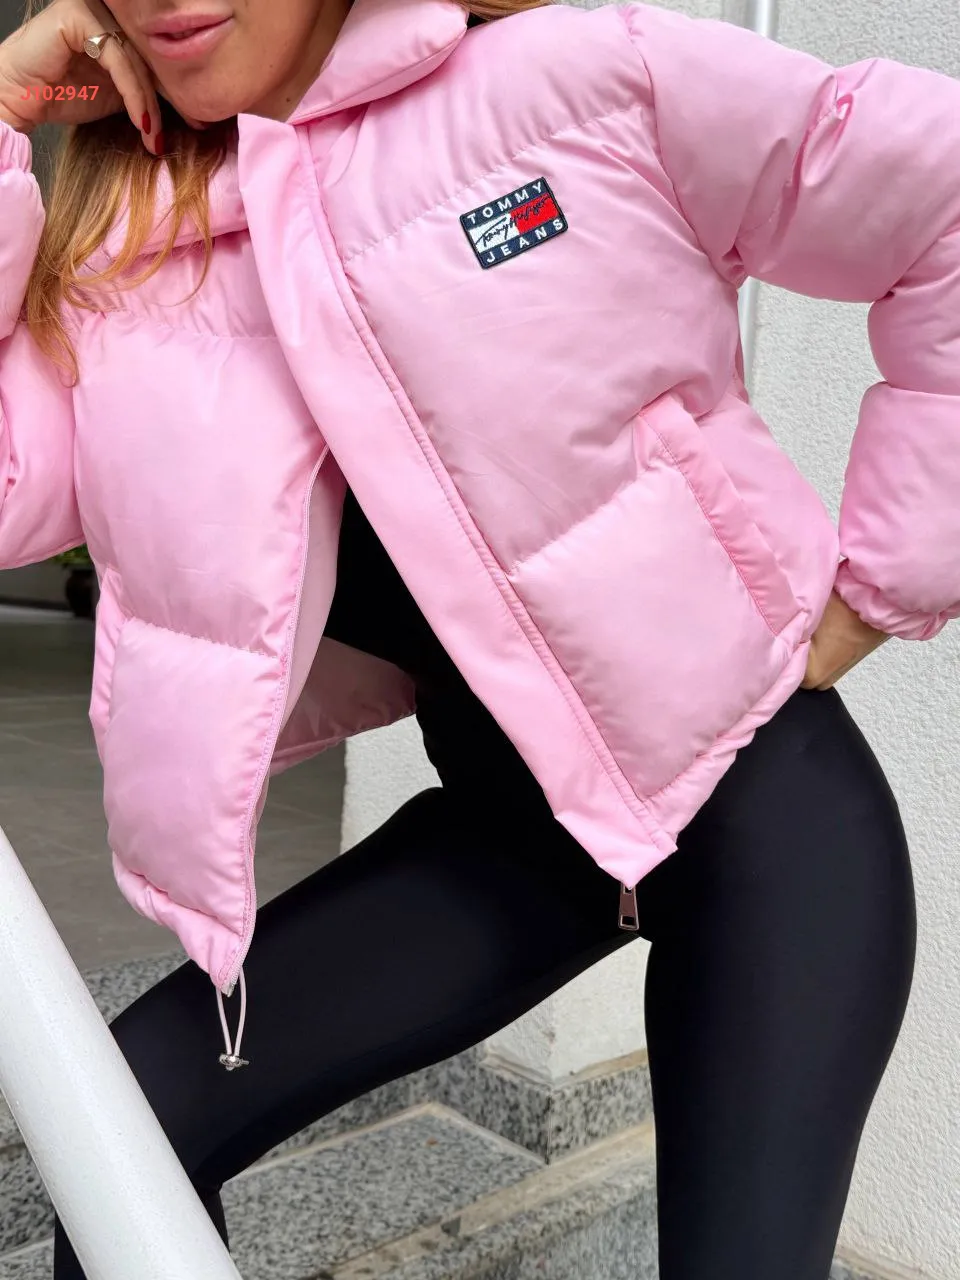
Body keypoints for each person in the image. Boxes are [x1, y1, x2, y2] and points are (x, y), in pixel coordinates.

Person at [0, 0, 956, 1273]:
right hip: (513, 846)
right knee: (119, 1139)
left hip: (767, 836)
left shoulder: (574, 82)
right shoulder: (133, 241)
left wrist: (886, 583)